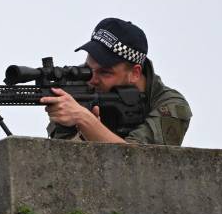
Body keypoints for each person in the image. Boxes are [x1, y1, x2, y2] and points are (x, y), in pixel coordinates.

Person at [43, 18, 191, 145]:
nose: (92, 79)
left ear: (135, 73)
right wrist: (75, 131)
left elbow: (137, 162)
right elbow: (63, 161)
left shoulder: (171, 106)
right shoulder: (78, 86)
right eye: (89, 68)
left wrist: (86, 121)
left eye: (105, 72)